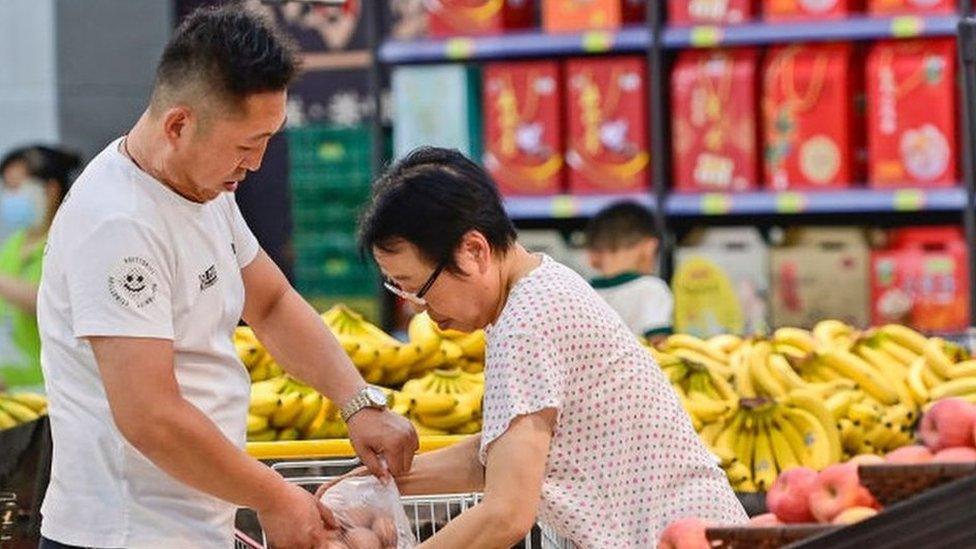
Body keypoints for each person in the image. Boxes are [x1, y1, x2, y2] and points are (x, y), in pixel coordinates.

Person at [36, 7, 417, 549]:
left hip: (192, 524)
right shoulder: (118, 224)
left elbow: (271, 303)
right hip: (124, 535)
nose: (257, 163)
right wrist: (275, 497)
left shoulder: (203, 186)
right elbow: (151, 416)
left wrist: (357, 401)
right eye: (246, 145)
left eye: (267, 140)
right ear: (178, 125)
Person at [356, 147, 746, 548]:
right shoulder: (540, 290)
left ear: (474, 251)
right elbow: (503, 456)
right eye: (399, 290)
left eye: (418, 287)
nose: (418, 309)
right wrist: (371, 487)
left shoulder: (526, 324)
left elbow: (506, 514)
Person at [0, 145, 80, 393]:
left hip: (52, 393)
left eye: (18, 189)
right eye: (7, 189)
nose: (10, 199)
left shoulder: (70, 241)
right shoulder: (12, 244)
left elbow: (52, 302)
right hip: (10, 392)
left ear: (51, 189)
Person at [585, 201, 674, 341]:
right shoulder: (652, 289)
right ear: (650, 248)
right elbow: (659, 343)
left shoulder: (582, 292)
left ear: (592, 256)